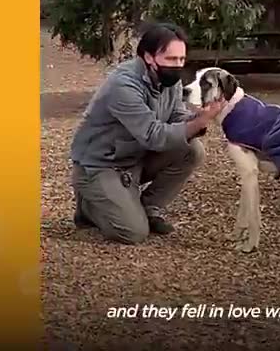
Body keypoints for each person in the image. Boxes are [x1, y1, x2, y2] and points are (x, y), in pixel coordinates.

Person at [70, 22, 226, 245]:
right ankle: (89, 205)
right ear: (148, 57)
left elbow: (175, 117)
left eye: (182, 59)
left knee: (191, 151)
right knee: (132, 233)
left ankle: (149, 207)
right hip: (101, 165)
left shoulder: (168, 81)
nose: (178, 65)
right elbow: (153, 135)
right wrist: (200, 121)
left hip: (135, 157)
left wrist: (197, 118)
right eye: (171, 60)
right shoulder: (123, 85)